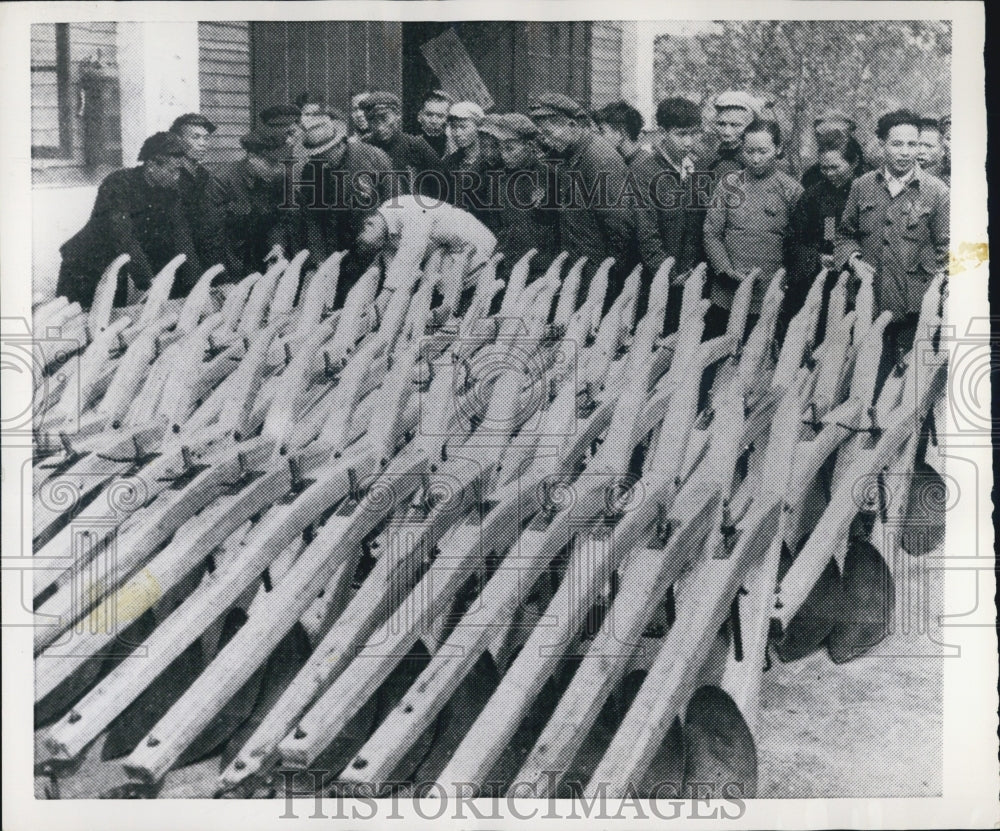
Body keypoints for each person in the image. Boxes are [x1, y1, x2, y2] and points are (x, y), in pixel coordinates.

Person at [834, 108, 949, 396]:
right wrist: (854, 261)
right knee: (863, 381)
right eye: (897, 144)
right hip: (868, 304)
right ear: (882, 144)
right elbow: (845, 235)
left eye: (914, 144)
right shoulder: (862, 187)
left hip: (915, 311)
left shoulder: (936, 192)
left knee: (908, 388)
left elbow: (948, 249)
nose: (906, 152)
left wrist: (939, 287)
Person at [529, 92, 645, 312]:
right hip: (578, 266)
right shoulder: (569, 154)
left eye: (549, 131)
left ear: (572, 125)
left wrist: (608, 271)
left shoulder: (598, 158)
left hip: (595, 271)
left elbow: (620, 222)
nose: (544, 139)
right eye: (541, 133)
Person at [56, 132, 201, 307]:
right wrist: (147, 280)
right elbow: (123, 235)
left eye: (179, 171)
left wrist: (196, 281)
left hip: (118, 267)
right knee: (72, 320)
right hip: (84, 266)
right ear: (151, 165)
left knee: (112, 322)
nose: (177, 177)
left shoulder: (169, 191)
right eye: (173, 170)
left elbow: (181, 234)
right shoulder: (118, 184)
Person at [287, 109, 401, 305]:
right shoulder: (311, 170)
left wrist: (388, 248)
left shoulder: (373, 158)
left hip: (375, 245)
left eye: (325, 153)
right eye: (316, 155)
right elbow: (312, 219)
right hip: (337, 250)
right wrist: (320, 259)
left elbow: (396, 205)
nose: (321, 159)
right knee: (340, 303)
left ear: (339, 144)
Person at [703, 119, 803, 336]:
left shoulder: (791, 190)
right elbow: (711, 232)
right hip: (726, 292)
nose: (756, 159)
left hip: (769, 291)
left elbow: (800, 244)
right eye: (749, 151)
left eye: (763, 151)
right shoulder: (729, 184)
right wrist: (726, 270)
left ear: (778, 149)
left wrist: (786, 283)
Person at [590, 100, 670, 321]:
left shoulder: (636, 171)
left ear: (621, 132)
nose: (598, 138)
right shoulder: (644, 162)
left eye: (602, 131)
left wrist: (663, 275)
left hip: (640, 274)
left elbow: (645, 231)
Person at [783, 134, 864, 338]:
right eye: (824, 168)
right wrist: (816, 257)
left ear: (853, 162)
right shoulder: (813, 196)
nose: (828, 174)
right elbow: (794, 239)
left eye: (835, 167)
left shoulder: (868, 191)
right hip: (818, 280)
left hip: (858, 281)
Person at [356, 195, 496, 296]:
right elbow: (392, 271)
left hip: (476, 248)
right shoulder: (385, 233)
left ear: (369, 224)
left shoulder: (405, 210)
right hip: (448, 255)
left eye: (364, 243)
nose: (370, 248)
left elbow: (409, 258)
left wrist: (385, 298)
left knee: (440, 301)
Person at [202, 129, 291, 282]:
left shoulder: (277, 179)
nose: (277, 169)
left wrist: (277, 245)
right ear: (252, 157)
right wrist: (223, 280)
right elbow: (212, 237)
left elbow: (278, 220)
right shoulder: (221, 180)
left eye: (280, 163)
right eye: (271, 163)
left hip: (261, 262)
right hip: (229, 265)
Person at [479, 112, 556, 275]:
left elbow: (558, 226)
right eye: (500, 147)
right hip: (506, 267)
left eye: (510, 148)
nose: (504, 154)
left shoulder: (548, 175)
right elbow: (495, 224)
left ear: (529, 146)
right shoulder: (496, 180)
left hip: (539, 269)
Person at [360, 91, 445, 198]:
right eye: (373, 121)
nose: (380, 127)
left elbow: (442, 187)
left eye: (384, 118)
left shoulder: (416, 146)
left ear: (397, 115)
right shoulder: (363, 148)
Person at [170, 113, 221, 274]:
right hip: (176, 263)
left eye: (206, 138)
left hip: (203, 258)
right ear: (178, 140)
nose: (202, 144)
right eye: (195, 137)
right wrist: (195, 275)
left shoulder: (203, 175)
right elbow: (178, 230)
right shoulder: (170, 176)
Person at [800, 109, 870, 190]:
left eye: (836, 135)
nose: (828, 140)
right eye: (821, 135)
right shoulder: (811, 176)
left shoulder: (868, 175)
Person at [704, 91, 758, 186]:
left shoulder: (757, 164)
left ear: (751, 126)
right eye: (721, 124)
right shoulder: (708, 160)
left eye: (735, 125)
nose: (726, 132)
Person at [417, 90, 453, 158]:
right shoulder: (407, 145)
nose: (433, 121)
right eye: (429, 115)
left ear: (448, 120)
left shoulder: (455, 148)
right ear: (419, 116)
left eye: (440, 116)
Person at [917, 116, 949, 185]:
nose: (921, 151)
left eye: (929, 146)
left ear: (943, 150)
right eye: (917, 144)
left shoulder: (948, 182)